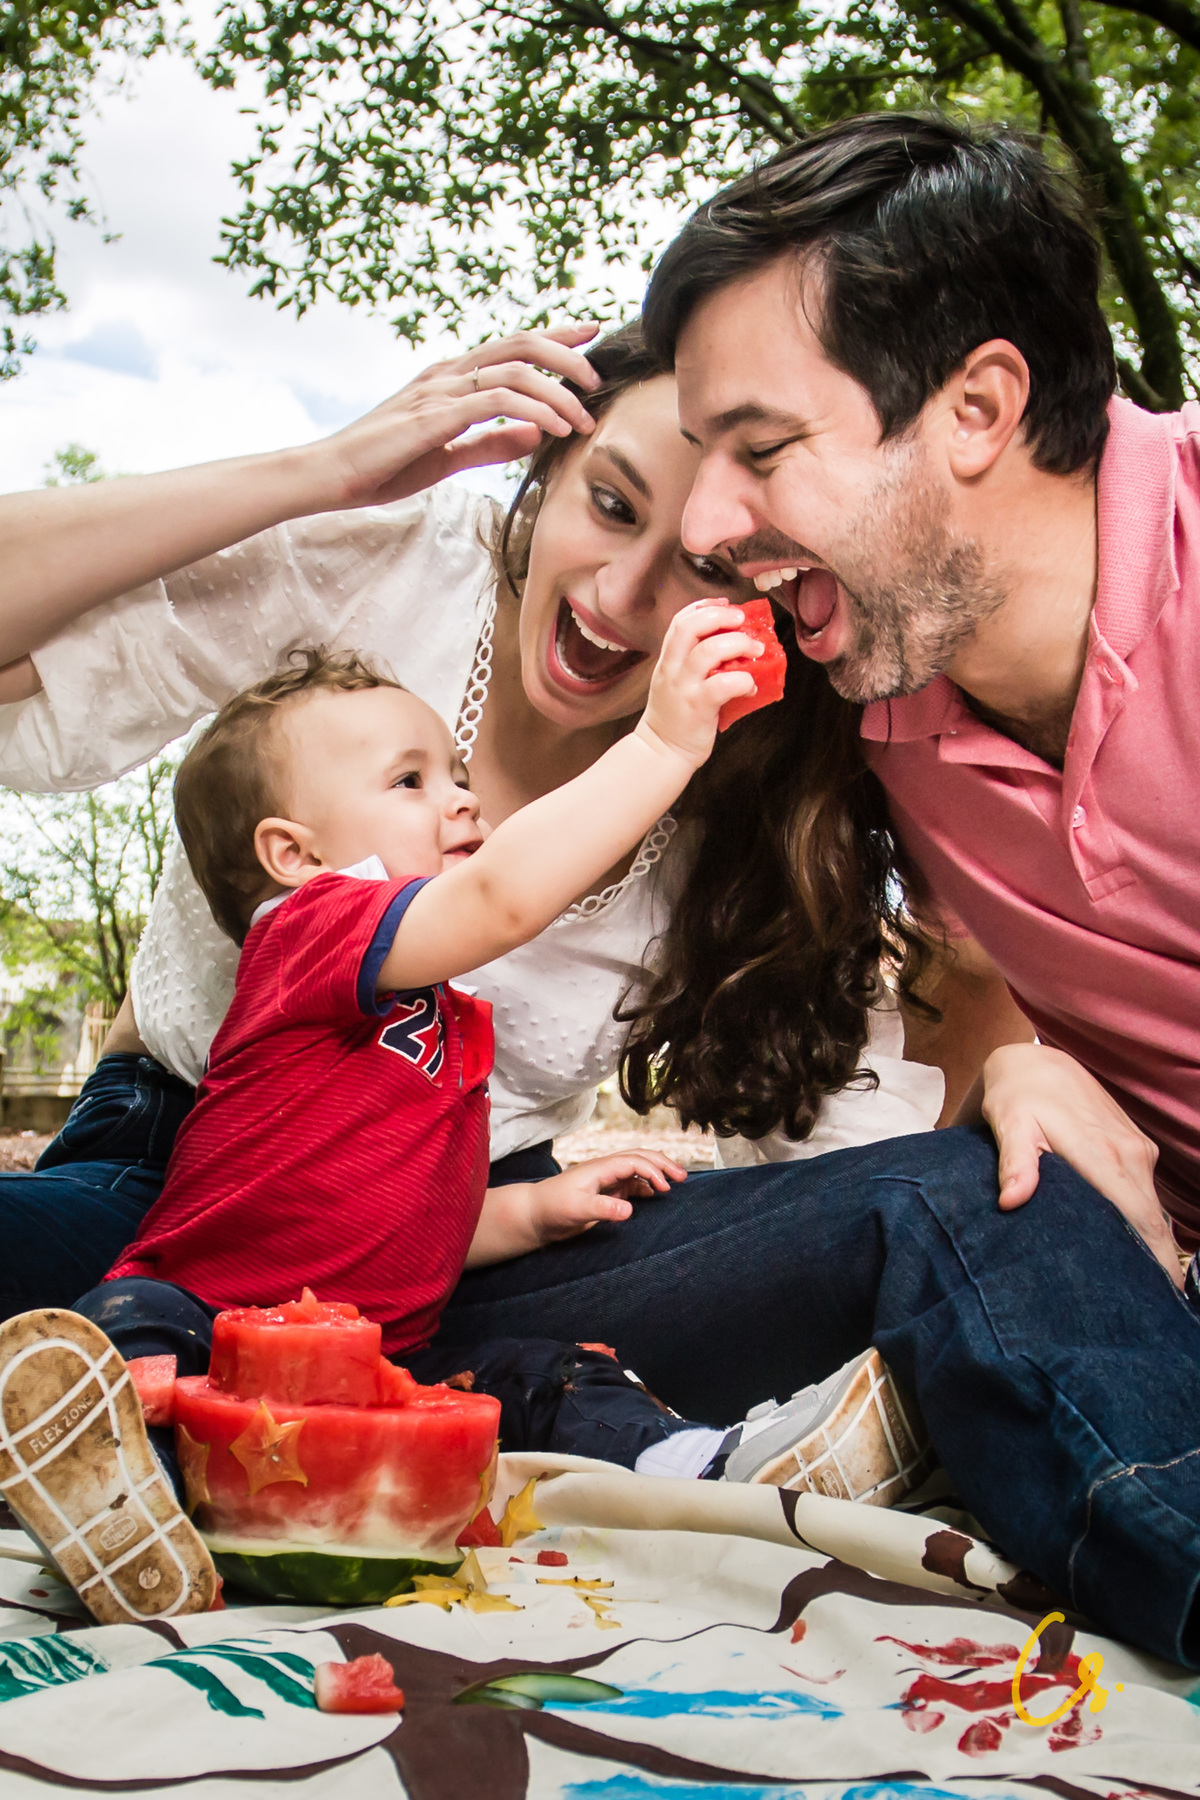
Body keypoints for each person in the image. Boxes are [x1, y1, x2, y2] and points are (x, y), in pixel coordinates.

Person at [0, 322, 943, 1317]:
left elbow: (858, 1155)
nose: (621, 595)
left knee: (907, 1215)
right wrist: (321, 470)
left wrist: (1007, 1080)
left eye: (708, 569)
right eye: (611, 503)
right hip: (185, 1175)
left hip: (480, 1230)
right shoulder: (398, 566)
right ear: (550, 472)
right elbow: (491, 899)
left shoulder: (746, 790)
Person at [0, 639, 930, 1626]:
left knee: (548, 1374)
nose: (462, 797)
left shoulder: (448, 1030)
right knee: (135, 1328)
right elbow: (500, 899)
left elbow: (419, 1221)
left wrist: (535, 1207)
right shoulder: (307, 928)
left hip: (374, 1384)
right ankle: (116, 1486)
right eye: (411, 780)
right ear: (295, 854)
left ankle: (709, 1469)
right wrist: (661, 742)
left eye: (454, 770)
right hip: (215, 1318)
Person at [642, 110, 1196, 1291]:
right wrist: (1016, 1078)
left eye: (764, 446)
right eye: (703, 452)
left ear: (979, 409)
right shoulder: (869, 702)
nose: (704, 526)